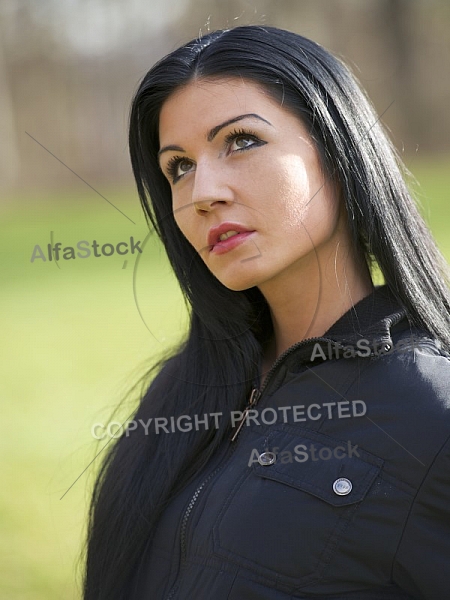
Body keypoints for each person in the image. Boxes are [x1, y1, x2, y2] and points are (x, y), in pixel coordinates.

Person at [82, 26, 450, 599]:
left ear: (339, 147)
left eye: (242, 141)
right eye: (178, 166)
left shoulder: (430, 411)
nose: (203, 190)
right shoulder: (180, 392)